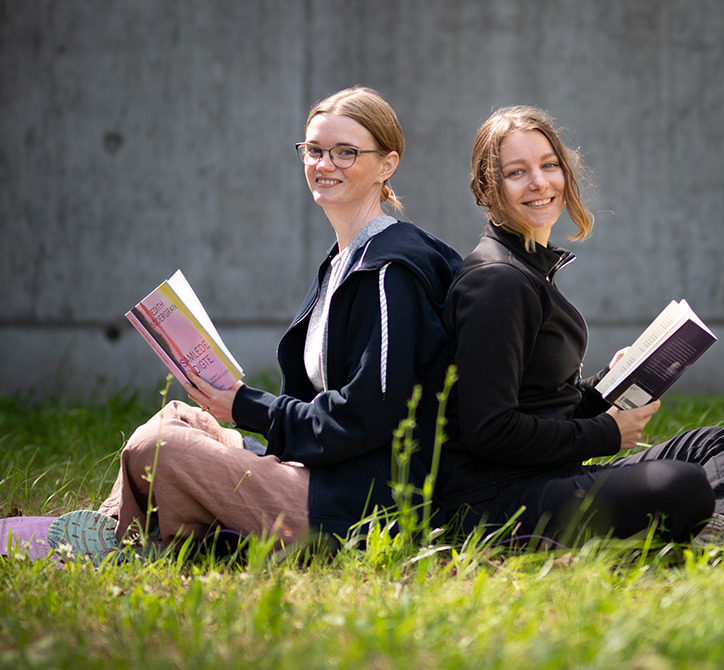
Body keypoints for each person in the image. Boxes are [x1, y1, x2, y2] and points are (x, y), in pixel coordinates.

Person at [48, 86, 462, 564]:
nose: (324, 164)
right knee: (178, 418)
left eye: (346, 152)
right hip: (320, 471)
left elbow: (371, 416)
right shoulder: (344, 260)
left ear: (387, 165)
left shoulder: (390, 272)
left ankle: (127, 543)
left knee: (158, 446)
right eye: (314, 150)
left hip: (357, 507)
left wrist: (247, 405)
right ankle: (113, 532)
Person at [437, 105, 724, 550]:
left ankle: (718, 537)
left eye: (548, 165)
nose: (540, 182)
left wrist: (606, 386)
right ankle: (722, 537)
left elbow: (541, 405)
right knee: (681, 484)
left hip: (552, 474)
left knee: (716, 445)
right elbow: (492, 430)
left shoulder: (526, 270)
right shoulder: (495, 283)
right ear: (488, 189)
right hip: (502, 504)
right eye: (517, 172)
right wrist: (607, 432)